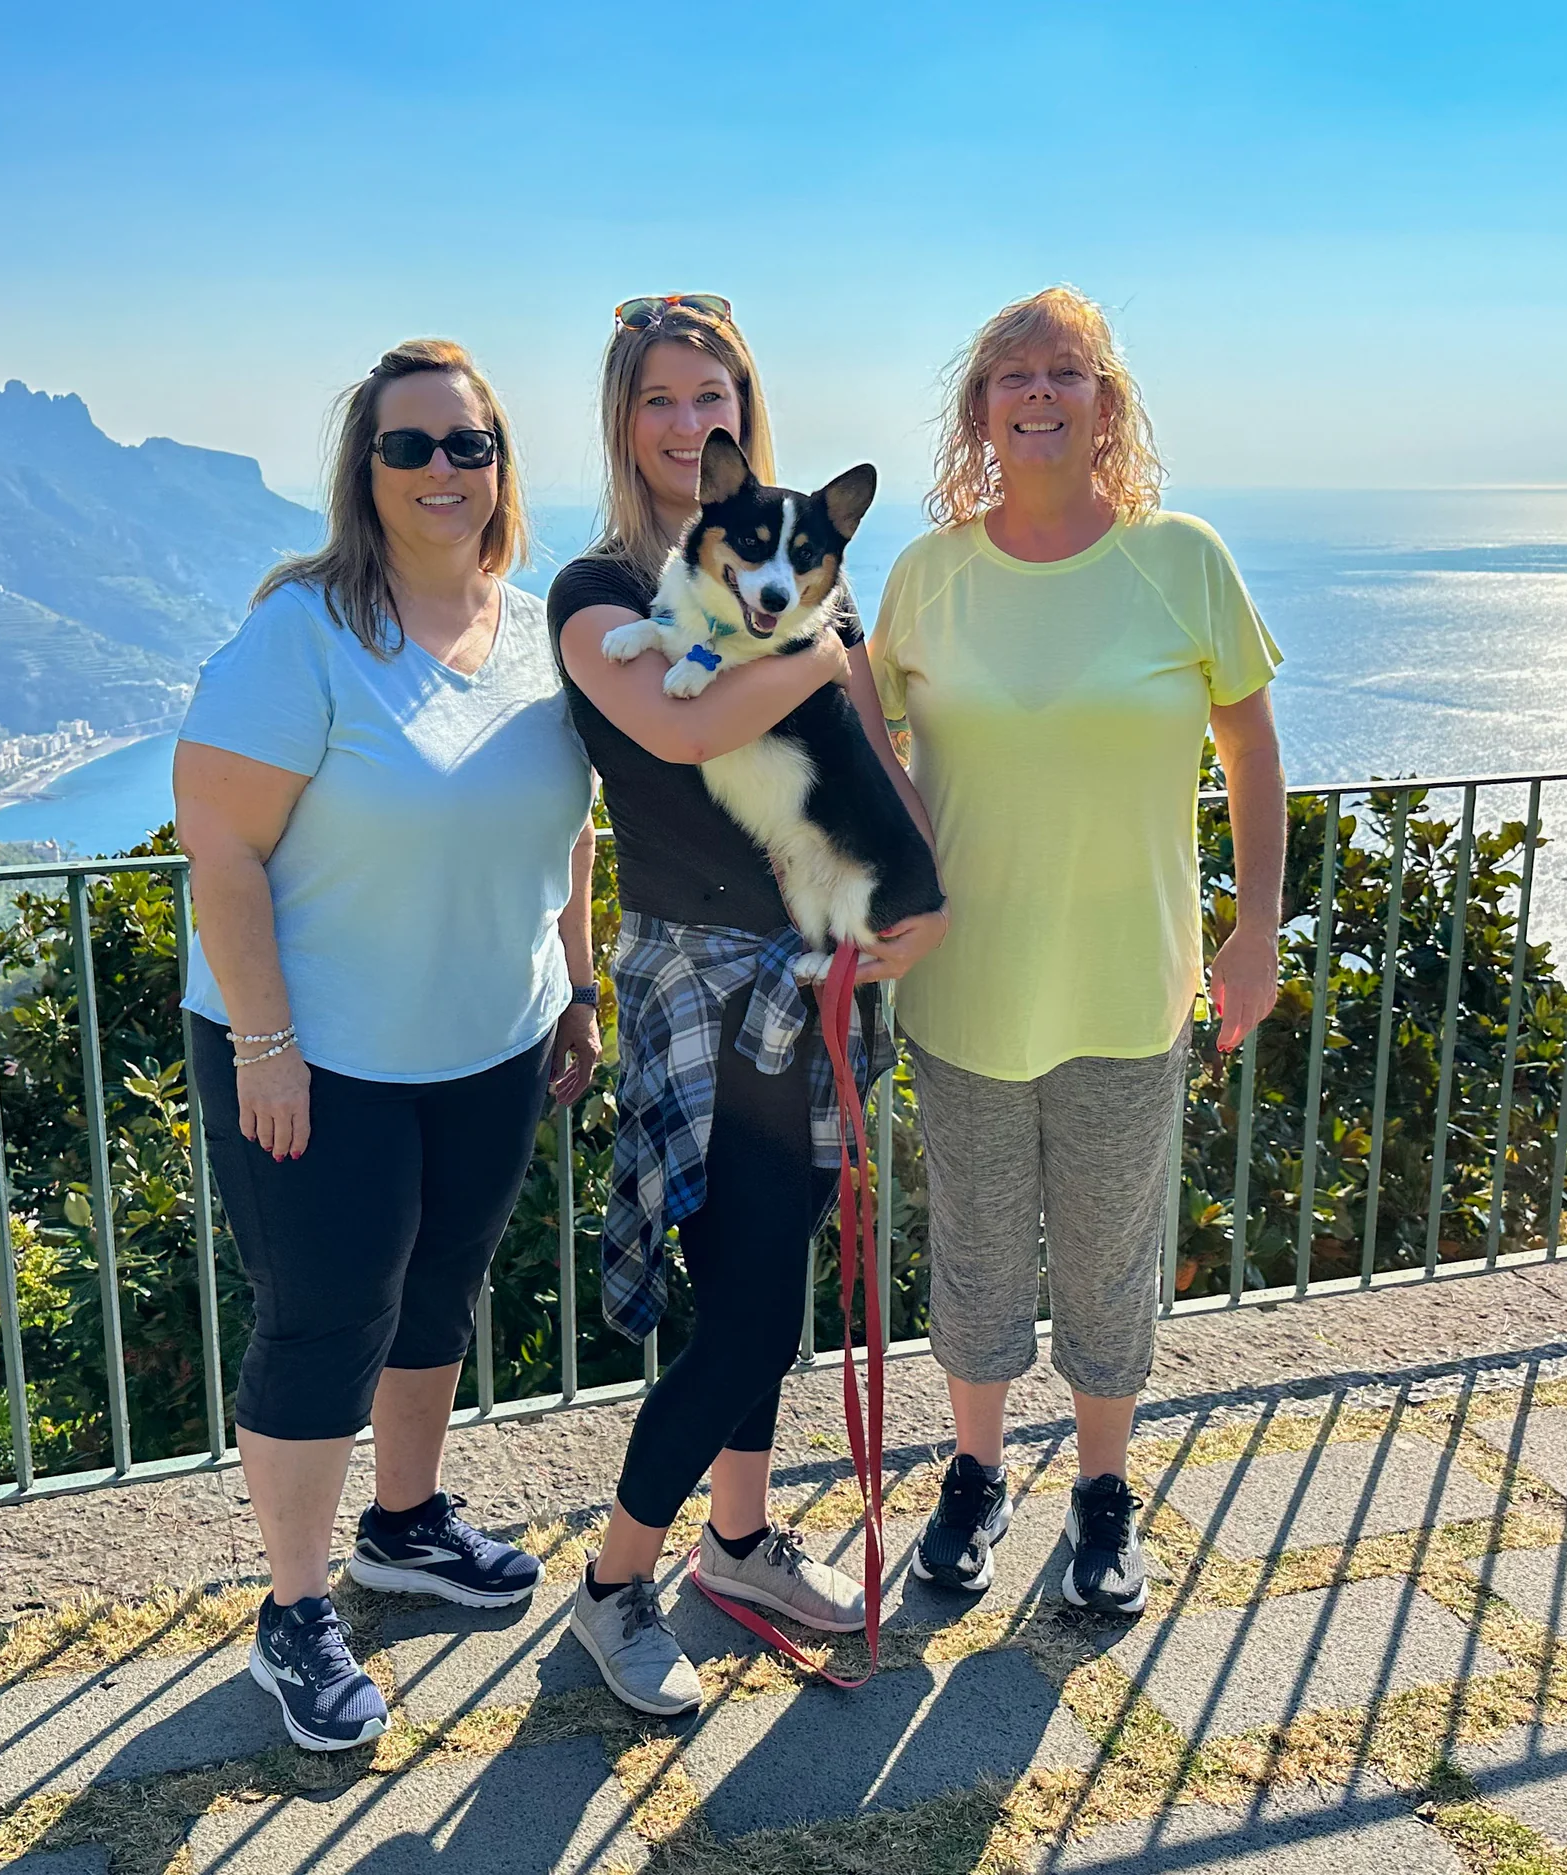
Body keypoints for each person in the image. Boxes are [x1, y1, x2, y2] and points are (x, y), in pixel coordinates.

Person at [175, 339, 599, 1750]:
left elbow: (568, 831)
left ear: (501, 466)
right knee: (325, 1313)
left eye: (467, 443)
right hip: (320, 1055)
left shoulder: (539, 629)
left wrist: (577, 985)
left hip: (491, 1040)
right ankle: (296, 1611)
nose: (439, 469)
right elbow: (221, 845)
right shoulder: (304, 631)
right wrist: (265, 1042)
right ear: (364, 471)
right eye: (407, 445)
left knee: (439, 1292)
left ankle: (405, 1526)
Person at [548, 295, 948, 1714]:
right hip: (693, 987)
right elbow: (681, 725)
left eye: (710, 397)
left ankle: (736, 1541)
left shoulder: (798, 578)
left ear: (743, 414)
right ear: (624, 419)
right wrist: (819, 645)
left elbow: (869, 750)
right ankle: (613, 1584)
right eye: (660, 399)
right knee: (748, 1322)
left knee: (765, 1283)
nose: (687, 422)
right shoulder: (597, 592)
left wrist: (925, 894)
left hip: (807, 965)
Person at [871, 286, 1286, 1614]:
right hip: (963, 987)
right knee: (977, 1254)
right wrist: (884, 882)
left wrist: (1256, 932)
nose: (1040, 393)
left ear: (1107, 403)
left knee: (1111, 1263)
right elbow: (862, 737)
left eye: (1067, 371)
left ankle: (1104, 1494)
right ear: (980, 409)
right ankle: (976, 1476)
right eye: (1015, 375)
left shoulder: (1182, 560)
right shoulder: (927, 576)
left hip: (1127, 985)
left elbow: (1252, 750)